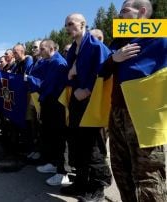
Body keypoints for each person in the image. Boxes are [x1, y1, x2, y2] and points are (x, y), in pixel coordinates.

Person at [102, 1, 167, 201]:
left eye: (124, 11)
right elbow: (102, 72)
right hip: (117, 111)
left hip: (144, 114)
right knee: (121, 169)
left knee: (148, 175)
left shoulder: (160, 37)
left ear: (142, 11)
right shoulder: (120, 41)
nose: (119, 15)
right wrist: (115, 59)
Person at [60, 13, 112, 201]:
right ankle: (81, 183)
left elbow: (105, 71)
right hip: (76, 101)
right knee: (77, 143)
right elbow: (70, 73)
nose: (68, 27)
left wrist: (88, 90)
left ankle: (98, 189)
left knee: (94, 147)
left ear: (83, 24)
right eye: (66, 24)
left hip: (91, 101)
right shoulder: (74, 48)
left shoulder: (96, 46)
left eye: (71, 23)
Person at [29, 39, 71, 186]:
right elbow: (38, 75)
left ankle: (63, 173)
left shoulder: (58, 63)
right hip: (48, 103)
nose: (39, 52)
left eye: (42, 49)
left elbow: (46, 84)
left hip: (57, 105)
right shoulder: (48, 61)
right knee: (50, 136)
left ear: (52, 48)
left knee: (59, 137)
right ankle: (53, 164)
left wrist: (29, 79)